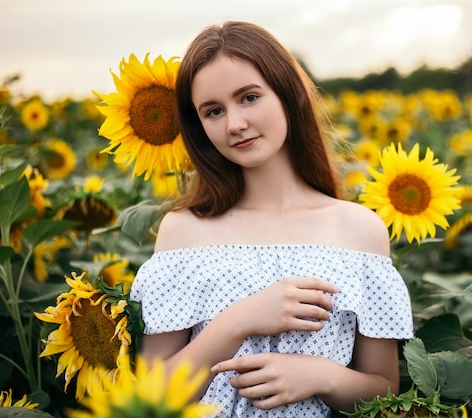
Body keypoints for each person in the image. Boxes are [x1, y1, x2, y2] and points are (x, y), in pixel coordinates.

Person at [130, 21, 413, 417]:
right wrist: (236, 322)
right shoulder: (184, 230)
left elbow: (384, 391)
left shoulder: (358, 230)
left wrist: (321, 376)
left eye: (248, 97)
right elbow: (151, 398)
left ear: (287, 93)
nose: (235, 124)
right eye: (213, 111)